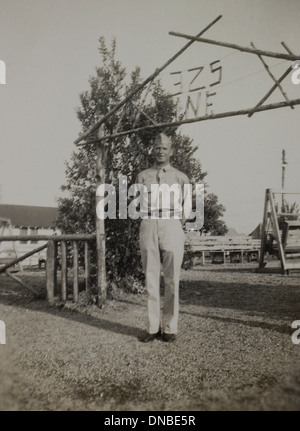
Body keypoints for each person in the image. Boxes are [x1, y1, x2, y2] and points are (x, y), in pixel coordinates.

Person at [136, 133, 191, 343]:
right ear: (153, 150)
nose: (160, 151)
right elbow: (138, 203)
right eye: (157, 147)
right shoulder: (142, 176)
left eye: (165, 148)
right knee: (150, 277)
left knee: (171, 279)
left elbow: (186, 209)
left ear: (171, 151)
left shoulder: (181, 177)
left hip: (171, 224)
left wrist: (174, 224)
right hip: (149, 223)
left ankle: (169, 327)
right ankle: (151, 328)